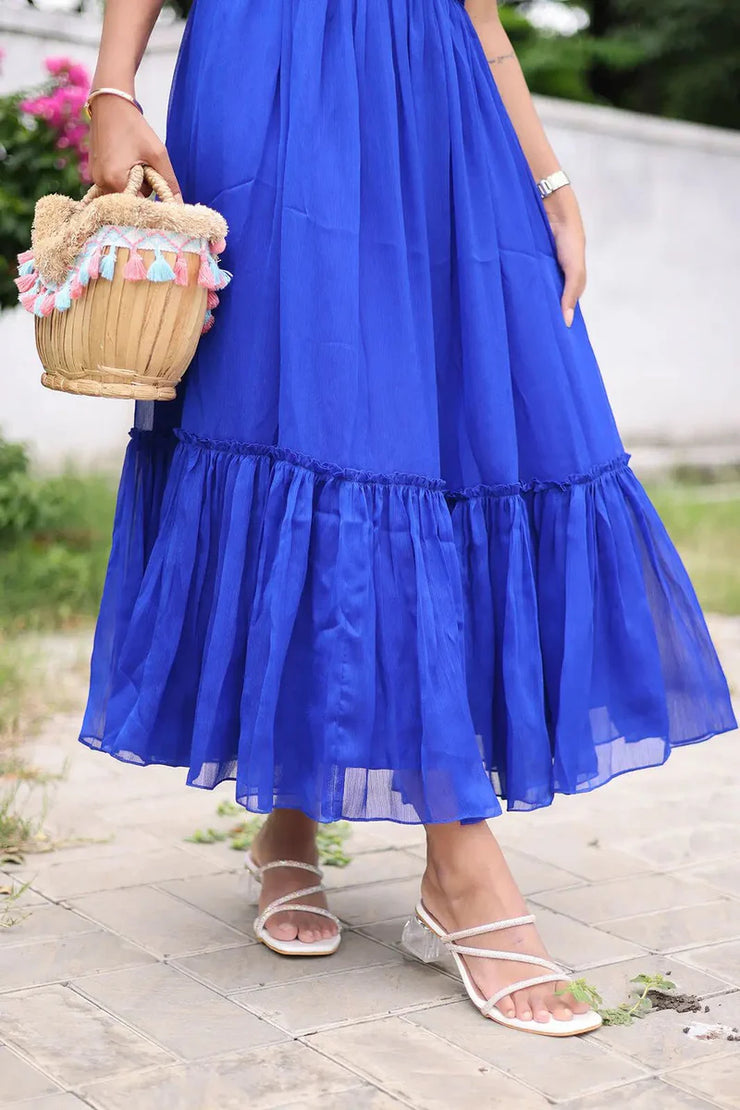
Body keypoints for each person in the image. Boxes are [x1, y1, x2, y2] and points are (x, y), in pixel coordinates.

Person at [82, 0, 736, 1036]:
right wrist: (111, 88)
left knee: (467, 429)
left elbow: (479, 16)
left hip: (438, 100)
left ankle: (341, 834)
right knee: (312, 420)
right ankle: (424, 851)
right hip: (270, 80)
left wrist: (550, 179)